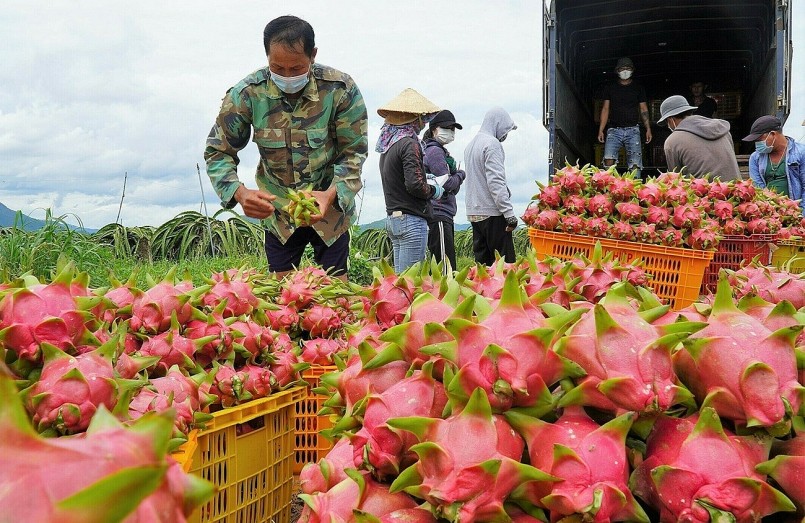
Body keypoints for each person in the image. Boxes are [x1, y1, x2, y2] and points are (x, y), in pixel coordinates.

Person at [204, 15, 367, 280]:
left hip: (331, 211)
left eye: (296, 68)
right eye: (277, 68)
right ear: (267, 56)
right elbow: (218, 152)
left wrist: (330, 195)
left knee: (336, 297)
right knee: (282, 300)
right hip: (278, 212)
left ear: (313, 55)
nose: (287, 76)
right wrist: (239, 193)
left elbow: (353, 154)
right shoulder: (247, 94)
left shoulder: (340, 90)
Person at [376, 88, 441, 273]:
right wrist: (433, 190)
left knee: (400, 280)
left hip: (394, 219)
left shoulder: (388, 145)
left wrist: (423, 177)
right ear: (414, 118)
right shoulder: (409, 144)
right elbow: (414, 185)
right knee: (410, 284)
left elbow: (398, 178)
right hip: (411, 219)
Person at [464, 107, 518, 266]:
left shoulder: (470, 145)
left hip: (474, 214)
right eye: (505, 130)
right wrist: (508, 213)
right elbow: (496, 181)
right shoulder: (491, 144)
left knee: (483, 268)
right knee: (504, 268)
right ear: (497, 124)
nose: (505, 135)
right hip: (492, 214)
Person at [656, 95, 740, 180]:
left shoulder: (672, 141)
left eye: (667, 122)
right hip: (738, 190)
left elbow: (675, 179)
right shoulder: (722, 129)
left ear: (670, 119)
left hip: (707, 192)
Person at [423, 109, 466, 273]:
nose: (450, 132)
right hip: (439, 213)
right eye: (447, 128)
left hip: (441, 214)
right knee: (445, 269)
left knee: (442, 265)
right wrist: (461, 174)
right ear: (434, 129)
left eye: (453, 129)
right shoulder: (435, 152)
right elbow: (448, 184)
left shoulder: (437, 151)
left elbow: (450, 185)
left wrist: (455, 179)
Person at [597, 57, 652, 177]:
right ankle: (608, 189)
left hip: (633, 130)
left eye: (628, 68)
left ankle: (635, 190)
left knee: (635, 164)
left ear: (632, 70)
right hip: (613, 130)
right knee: (608, 161)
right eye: (622, 68)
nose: (625, 71)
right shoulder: (610, 88)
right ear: (617, 71)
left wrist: (648, 128)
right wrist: (601, 129)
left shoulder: (638, 88)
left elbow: (644, 109)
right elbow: (605, 109)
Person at [743, 115, 805, 215]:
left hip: (797, 212)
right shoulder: (755, 158)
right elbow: (758, 188)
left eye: (759, 140)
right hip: (770, 214)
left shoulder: (801, 153)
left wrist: (800, 215)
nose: (757, 144)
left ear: (773, 134)